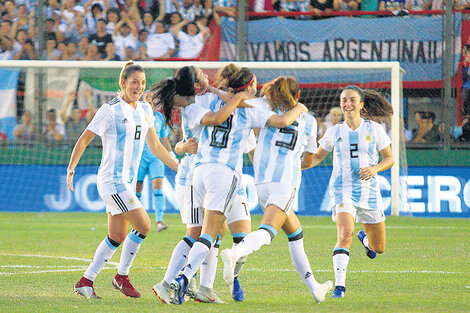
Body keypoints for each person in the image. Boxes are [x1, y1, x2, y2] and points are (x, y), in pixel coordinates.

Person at [168, 67, 309, 305]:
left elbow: (223, 105)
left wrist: (221, 91)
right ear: (249, 87)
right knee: (209, 233)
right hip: (224, 174)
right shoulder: (251, 111)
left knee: (222, 233)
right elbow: (283, 120)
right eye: (254, 86)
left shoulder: (209, 101)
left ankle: (216, 281)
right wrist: (299, 107)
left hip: (200, 171)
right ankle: (183, 277)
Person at [68, 61, 179, 299]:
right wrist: (71, 169)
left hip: (126, 182)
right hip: (112, 180)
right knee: (145, 225)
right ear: (123, 83)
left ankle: (85, 281)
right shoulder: (110, 110)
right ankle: (121, 277)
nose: (139, 87)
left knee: (117, 236)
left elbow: (157, 147)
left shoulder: (146, 110)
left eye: (142, 83)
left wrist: (179, 167)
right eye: (134, 82)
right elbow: (85, 138)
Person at [220, 76, 333, 304]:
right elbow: (310, 159)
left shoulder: (265, 108)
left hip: (262, 183)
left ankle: (315, 288)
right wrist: (296, 162)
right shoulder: (309, 121)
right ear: (298, 95)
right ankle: (235, 253)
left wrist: (212, 89)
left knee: (295, 234)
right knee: (268, 232)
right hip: (286, 182)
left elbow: (234, 100)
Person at [151, 65, 250, 304]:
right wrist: (182, 147)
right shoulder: (193, 106)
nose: (207, 74)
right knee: (196, 233)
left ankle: (205, 287)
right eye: (201, 74)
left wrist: (216, 89)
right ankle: (167, 283)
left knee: (215, 232)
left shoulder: (201, 98)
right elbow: (213, 119)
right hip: (195, 175)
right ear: (195, 85)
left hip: (207, 174)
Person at [303, 85, 394, 298]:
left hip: (369, 191)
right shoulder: (335, 131)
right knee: (345, 234)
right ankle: (339, 287)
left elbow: (389, 158)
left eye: (352, 100)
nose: (347, 104)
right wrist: (295, 165)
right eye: (344, 100)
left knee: (378, 248)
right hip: (343, 190)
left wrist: (374, 169)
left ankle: (365, 240)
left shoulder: (374, 129)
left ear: (362, 104)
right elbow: (316, 157)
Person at [136, 91, 174, 233]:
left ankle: (159, 221)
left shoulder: (159, 117)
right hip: (140, 157)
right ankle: (137, 221)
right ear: (142, 100)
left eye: (151, 98)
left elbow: (163, 138)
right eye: (146, 97)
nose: (149, 99)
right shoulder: (136, 115)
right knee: (137, 188)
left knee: (158, 187)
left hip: (155, 157)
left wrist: (170, 153)